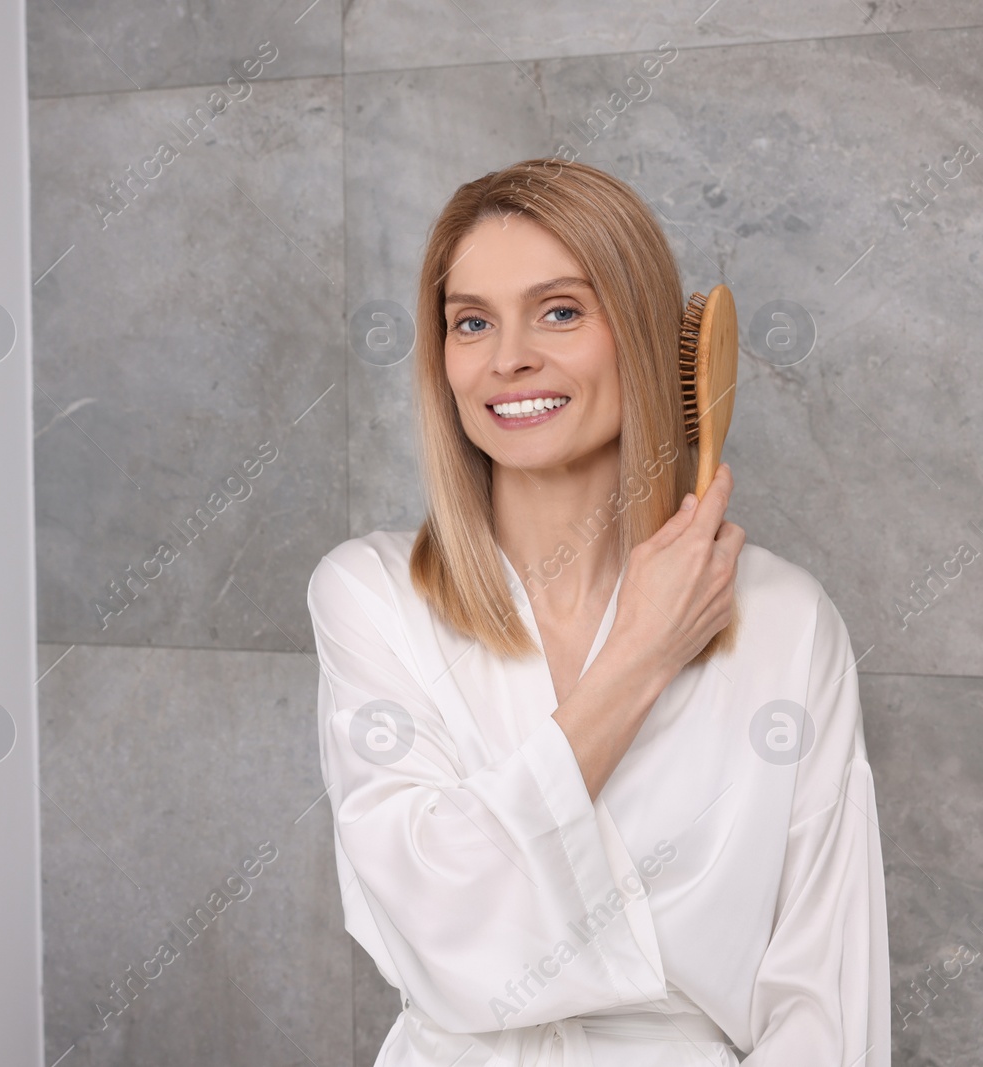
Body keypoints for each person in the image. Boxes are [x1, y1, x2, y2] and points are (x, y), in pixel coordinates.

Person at [307, 158, 889, 1066]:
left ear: (653, 340)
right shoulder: (371, 597)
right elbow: (433, 919)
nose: (509, 358)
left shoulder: (789, 622)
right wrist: (643, 653)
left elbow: (824, 999)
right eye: (471, 322)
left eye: (562, 311)